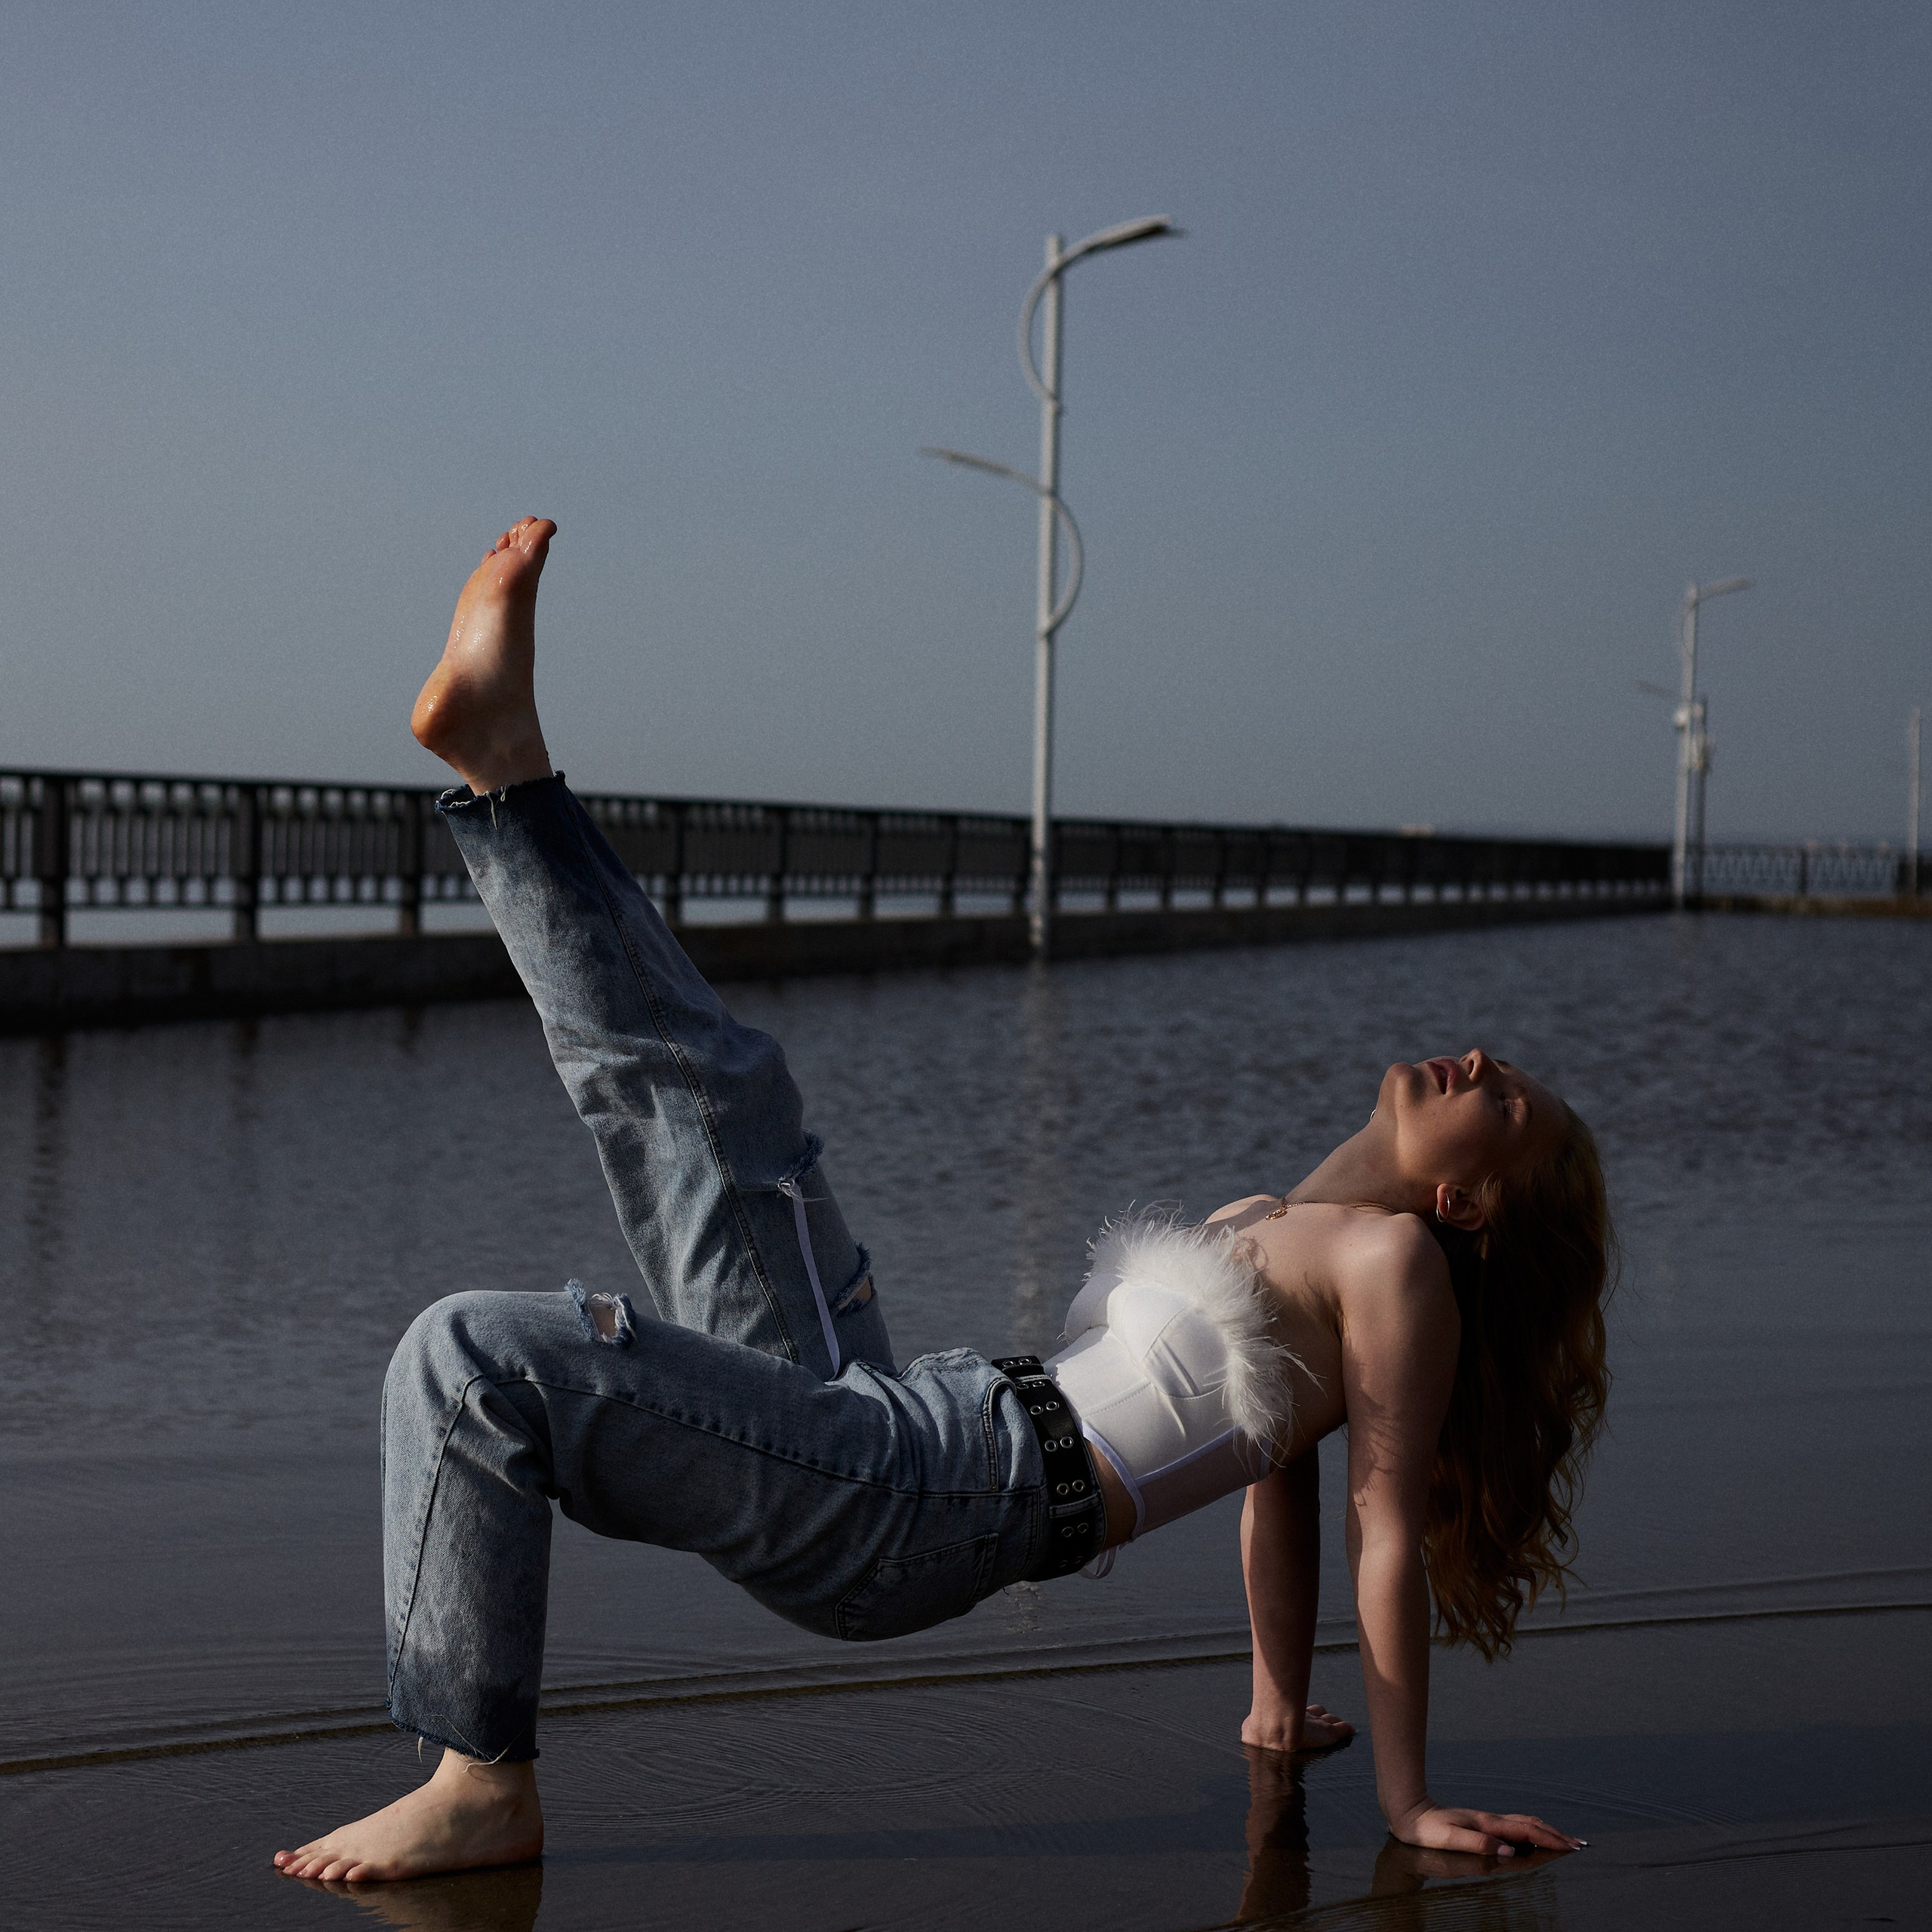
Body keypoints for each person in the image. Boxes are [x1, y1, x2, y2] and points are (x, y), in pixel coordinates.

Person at [274, 518, 1608, 1885]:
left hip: (917, 1507)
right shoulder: (1273, 1218)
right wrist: (1274, 1702)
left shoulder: (1399, 1266)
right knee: (727, 1105)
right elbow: (1280, 1478)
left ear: (1469, 1198)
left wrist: (1408, 1800)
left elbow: (1381, 1526)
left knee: (472, 1357)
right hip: (895, 1423)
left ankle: (478, 1778)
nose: (1483, 1065)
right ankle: (510, 777)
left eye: (1507, 1102)